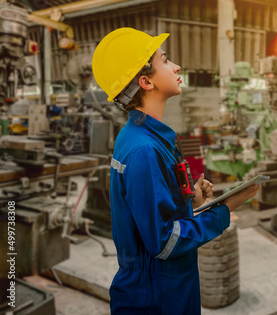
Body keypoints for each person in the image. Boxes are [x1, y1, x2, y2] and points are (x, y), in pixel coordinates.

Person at [92, 27, 259, 315]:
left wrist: (190, 202)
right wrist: (225, 209)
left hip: (167, 287)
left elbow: (151, 215)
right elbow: (165, 243)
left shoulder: (142, 136)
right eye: (165, 60)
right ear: (145, 81)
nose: (176, 66)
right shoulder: (144, 149)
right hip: (156, 297)